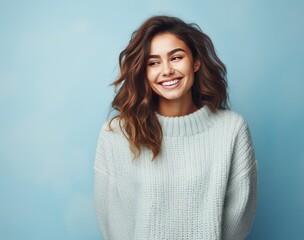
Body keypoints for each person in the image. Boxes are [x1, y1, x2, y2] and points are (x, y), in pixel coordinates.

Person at [94, 15, 258, 240]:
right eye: (153, 62)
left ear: (196, 62)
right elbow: (114, 222)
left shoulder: (231, 130)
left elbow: (238, 221)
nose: (167, 70)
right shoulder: (117, 134)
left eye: (176, 57)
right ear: (144, 72)